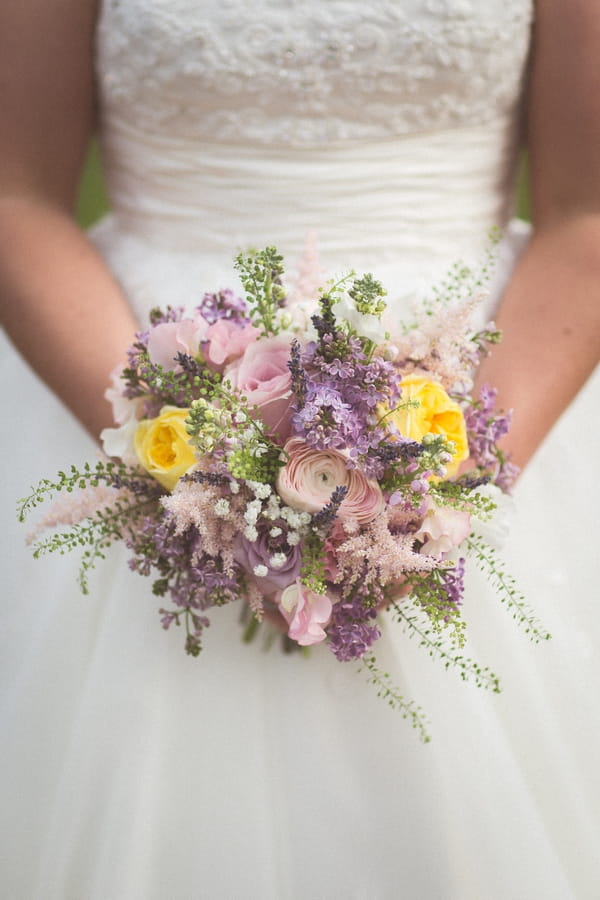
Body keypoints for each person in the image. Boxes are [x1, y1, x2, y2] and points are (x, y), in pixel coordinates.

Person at [1, 1, 599, 897]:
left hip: (487, 376)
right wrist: (180, 448)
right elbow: (14, 192)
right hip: (137, 361)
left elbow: (589, 210)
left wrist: (438, 487)